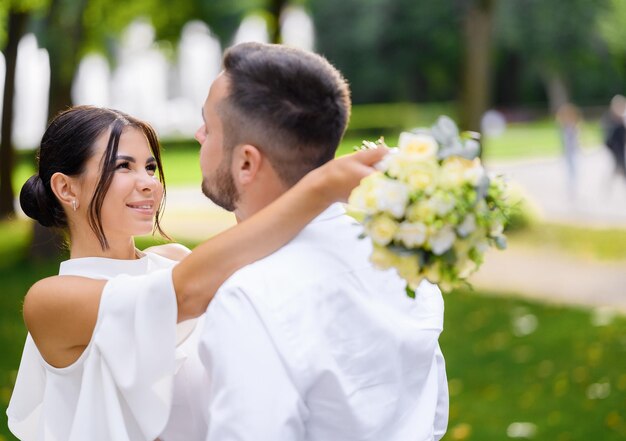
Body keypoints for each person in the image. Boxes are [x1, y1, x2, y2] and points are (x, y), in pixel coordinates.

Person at [6, 105, 387, 441]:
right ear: (65, 188)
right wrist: (319, 189)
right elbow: (181, 294)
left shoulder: (174, 259)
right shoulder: (51, 300)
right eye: (123, 166)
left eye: (151, 167)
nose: (149, 183)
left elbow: (266, 266)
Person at [196, 43, 448, 440]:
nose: (198, 136)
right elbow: (432, 417)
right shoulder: (399, 259)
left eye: (207, 127)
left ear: (246, 162)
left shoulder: (249, 298)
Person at [556, 103, 581, 200]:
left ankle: (573, 190)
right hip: (568, 153)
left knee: (575, 172)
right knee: (571, 172)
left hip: (574, 152)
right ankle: (571, 191)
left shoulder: (574, 126)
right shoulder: (564, 127)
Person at [602, 95, 626, 182]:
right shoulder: (609, 119)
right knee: (614, 169)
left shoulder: (621, 120)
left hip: (620, 149)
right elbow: (608, 138)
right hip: (613, 149)